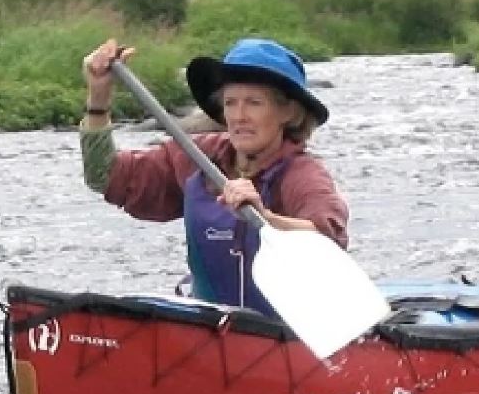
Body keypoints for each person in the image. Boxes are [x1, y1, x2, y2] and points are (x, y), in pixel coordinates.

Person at [78, 37, 350, 318]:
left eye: (254, 103)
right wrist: (99, 97)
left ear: (288, 112)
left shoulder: (302, 174)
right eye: (231, 103)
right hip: (208, 330)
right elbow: (104, 176)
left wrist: (267, 217)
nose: (239, 116)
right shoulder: (199, 156)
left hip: (281, 336)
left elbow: (326, 240)